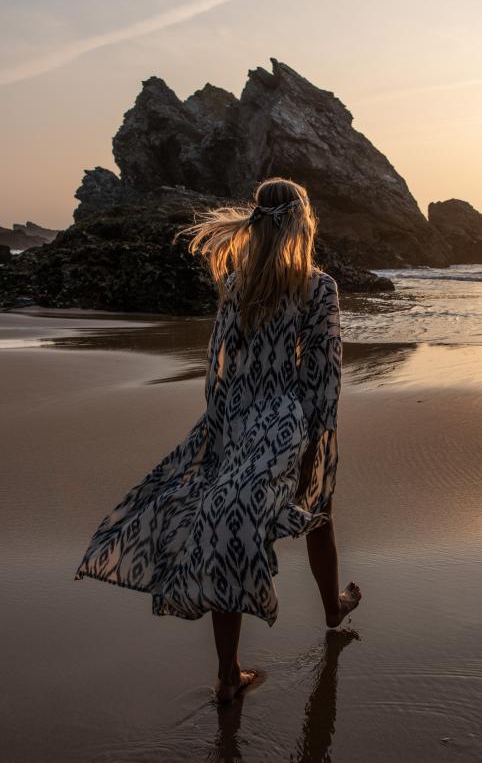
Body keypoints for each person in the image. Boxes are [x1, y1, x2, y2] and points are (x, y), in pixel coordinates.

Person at [74, 176, 362, 703]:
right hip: (285, 423)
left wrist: (217, 427)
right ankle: (331, 609)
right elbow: (324, 374)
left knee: (225, 527)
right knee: (317, 508)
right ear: (302, 222)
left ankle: (229, 675)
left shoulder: (236, 282)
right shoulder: (319, 288)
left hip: (234, 421)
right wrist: (315, 441)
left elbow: (218, 366)